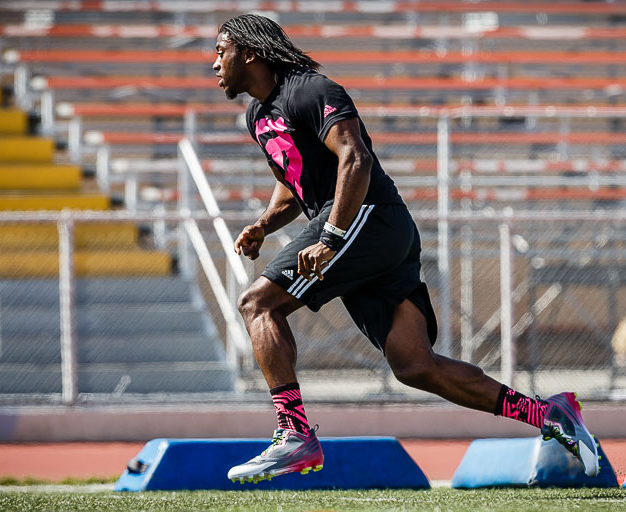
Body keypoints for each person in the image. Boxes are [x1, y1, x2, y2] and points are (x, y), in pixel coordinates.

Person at [213, 14, 600, 484]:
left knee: (257, 303)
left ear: (249, 53)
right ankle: (550, 415)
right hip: (366, 229)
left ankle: (294, 434)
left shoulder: (312, 91)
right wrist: (262, 224)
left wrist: (332, 238)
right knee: (414, 365)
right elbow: (293, 182)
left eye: (220, 52)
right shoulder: (257, 115)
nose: (215, 64)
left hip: (366, 218)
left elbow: (354, 158)